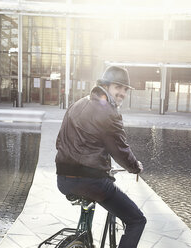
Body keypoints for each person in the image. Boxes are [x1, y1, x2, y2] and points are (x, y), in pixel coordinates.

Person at [55, 66, 146, 248]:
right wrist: (135, 167)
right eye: (117, 87)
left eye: (125, 89)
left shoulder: (78, 104)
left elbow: (61, 141)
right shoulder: (109, 113)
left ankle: (82, 240)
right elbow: (119, 150)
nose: (122, 93)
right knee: (137, 220)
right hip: (91, 181)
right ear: (105, 86)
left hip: (63, 179)